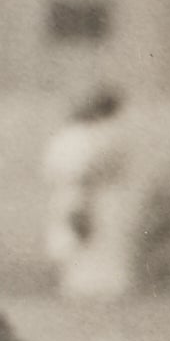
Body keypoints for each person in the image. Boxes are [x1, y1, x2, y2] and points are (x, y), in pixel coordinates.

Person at [41, 84, 130, 304]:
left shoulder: (79, 135)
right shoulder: (86, 136)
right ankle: (84, 283)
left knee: (86, 236)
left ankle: (87, 283)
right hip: (84, 190)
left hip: (83, 190)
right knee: (83, 235)